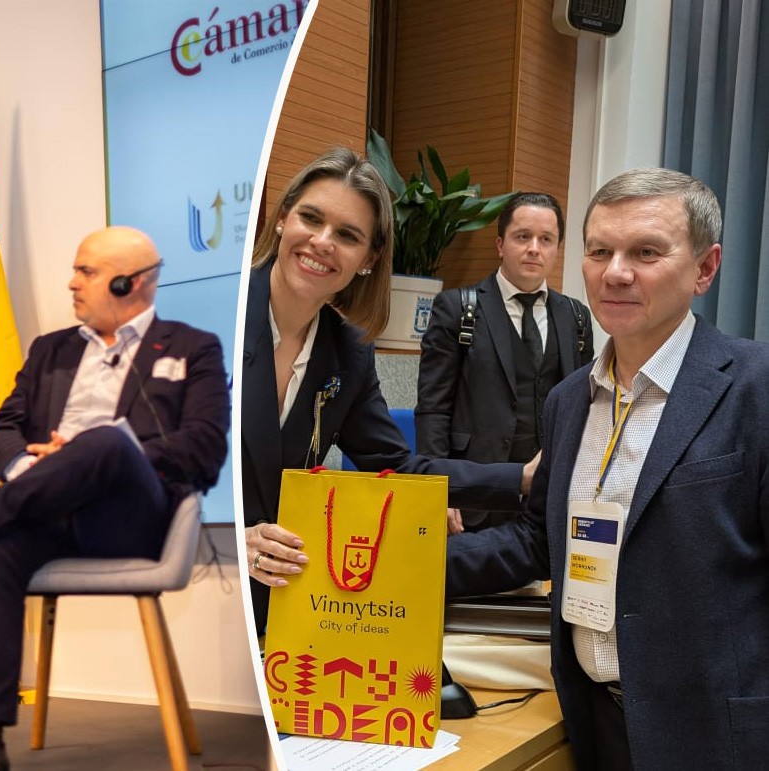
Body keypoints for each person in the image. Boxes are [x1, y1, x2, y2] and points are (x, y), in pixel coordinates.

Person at [0, 226, 229, 770]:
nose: (71, 283)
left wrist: (95, 451)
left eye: (87, 272)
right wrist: (33, 467)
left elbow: (205, 448)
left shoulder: (192, 348)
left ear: (131, 283)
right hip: (47, 511)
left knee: (105, 441)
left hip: (130, 518)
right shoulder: (52, 350)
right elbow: (2, 431)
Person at [446, 167, 769, 769]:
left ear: (705, 268)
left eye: (646, 252)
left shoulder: (755, 387)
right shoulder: (569, 400)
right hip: (596, 721)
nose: (615, 272)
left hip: (716, 733)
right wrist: (404, 558)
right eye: (599, 252)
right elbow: (537, 541)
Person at [242, 147, 537, 635]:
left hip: (278, 608)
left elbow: (398, 469)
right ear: (282, 218)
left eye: (347, 235)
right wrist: (231, 540)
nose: (322, 242)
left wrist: (520, 480)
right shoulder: (210, 315)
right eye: (311, 218)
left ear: (369, 259)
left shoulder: (349, 352)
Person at [416, 192, 594, 533]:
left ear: (558, 248)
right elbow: (433, 409)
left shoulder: (576, 316)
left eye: (546, 239)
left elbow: (583, 407)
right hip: (475, 496)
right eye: (522, 237)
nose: (534, 248)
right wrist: (439, 489)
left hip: (548, 498)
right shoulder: (457, 309)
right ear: (500, 244)